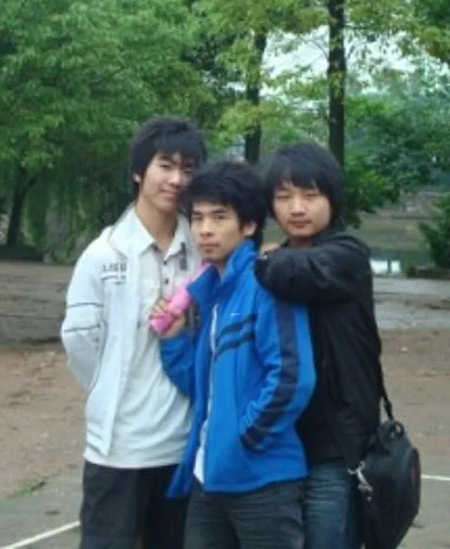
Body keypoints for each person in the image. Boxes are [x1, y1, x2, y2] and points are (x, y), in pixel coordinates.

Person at [152, 160, 316, 549]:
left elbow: (292, 376)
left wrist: (243, 438)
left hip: (262, 480)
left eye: (220, 217)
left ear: (249, 225)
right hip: (208, 476)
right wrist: (174, 340)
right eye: (197, 218)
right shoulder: (213, 295)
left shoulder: (266, 283)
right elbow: (204, 386)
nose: (205, 230)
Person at [61, 116, 208, 549]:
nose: (177, 180)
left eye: (188, 169)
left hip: (182, 445)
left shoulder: (202, 251)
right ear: (139, 171)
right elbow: (80, 343)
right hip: (119, 447)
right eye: (166, 165)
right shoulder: (103, 256)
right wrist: (110, 389)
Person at [254, 142, 384, 549]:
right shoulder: (277, 258)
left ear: (332, 199)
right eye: (283, 197)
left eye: (310, 196)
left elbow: (299, 273)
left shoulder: (347, 255)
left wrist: (259, 260)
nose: (297, 208)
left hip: (335, 446)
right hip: (282, 440)